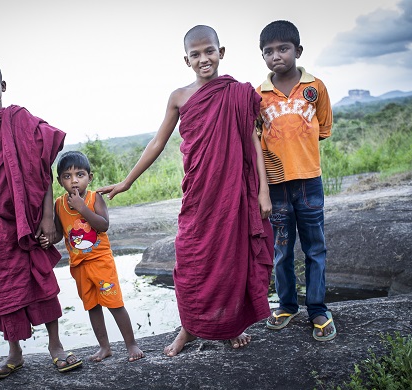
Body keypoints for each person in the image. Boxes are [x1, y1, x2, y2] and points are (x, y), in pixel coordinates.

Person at [97, 25, 274, 357]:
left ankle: (231, 326)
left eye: (210, 51)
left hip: (232, 193)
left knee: (230, 259)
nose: (203, 59)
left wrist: (263, 191)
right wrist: (127, 181)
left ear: (222, 53)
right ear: (186, 59)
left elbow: (253, 141)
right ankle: (189, 330)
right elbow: (157, 142)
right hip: (199, 194)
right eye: (196, 54)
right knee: (191, 260)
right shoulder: (179, 97)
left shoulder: (239, 93)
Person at [0, 59, 83, 379]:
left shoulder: (23, 122)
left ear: (3, 85)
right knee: (3, 284)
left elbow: (41, 173)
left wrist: (49, 218)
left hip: (30, 217)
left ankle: (56, 346)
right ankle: (14, 353)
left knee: (40, 278)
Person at [256, 20, 336, 341]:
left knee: (315, 246)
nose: (276, 56)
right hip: (276, 186)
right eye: (268, 51)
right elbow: (254, 137)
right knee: (282, 248)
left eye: (283, 49)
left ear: (298, 51)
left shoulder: (314, 88)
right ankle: (287, 304)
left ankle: (317, 308)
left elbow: (324, 128)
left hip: (309, 182)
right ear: (263, 56)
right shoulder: (259, 96)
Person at [39, 151, 144, 363]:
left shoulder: (94, 197)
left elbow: (103, 225)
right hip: (78, 266)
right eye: (67, 177)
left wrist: (82, 208)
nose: (74, 180)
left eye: (80, 174)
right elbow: (60, 233)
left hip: (100, 261)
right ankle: (104, 347)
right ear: (60, 181)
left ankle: (131, 344)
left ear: (90, 177)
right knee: (92, 307)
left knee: (114, 303)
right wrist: (49, 240)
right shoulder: (59, 204)